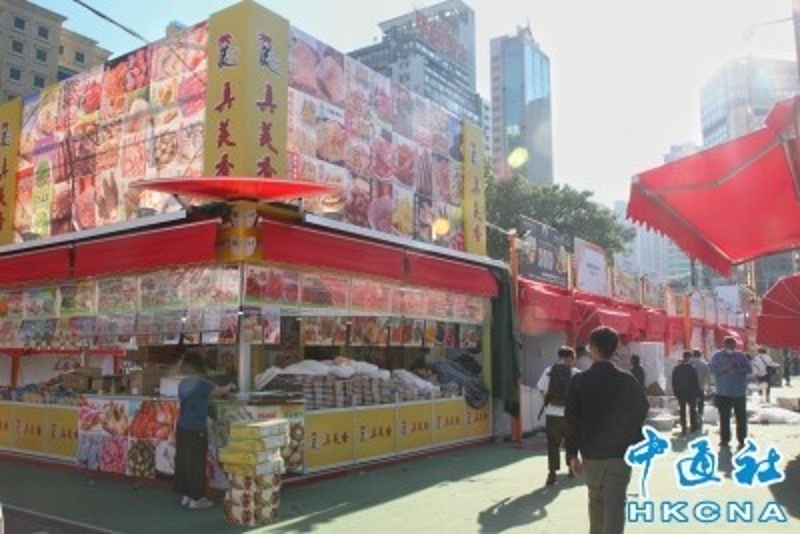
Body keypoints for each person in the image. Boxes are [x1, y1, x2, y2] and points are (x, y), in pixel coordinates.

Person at [565, 327, 649, 534]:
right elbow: (642, 409)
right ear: (614, 349)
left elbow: (572, 419)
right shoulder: (627, 380)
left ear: (593, 349)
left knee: (596, 501)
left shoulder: (579, 381)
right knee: (615, 505)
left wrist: (572, 453)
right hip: (620, 453)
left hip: (591, 453)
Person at [174, 351, 237, 509]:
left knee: (185, 462)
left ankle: (186, 495)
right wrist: (231, 386)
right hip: (196, 428)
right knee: (197, 463)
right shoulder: (201, 383)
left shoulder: (183, 383)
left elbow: (200, 397)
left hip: (182, 427)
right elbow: (219, 391)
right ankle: (197, 498)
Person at [536, 346, 579, 486]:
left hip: (552, 413)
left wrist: (548, 402)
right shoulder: (575, 373)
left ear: (559, 357)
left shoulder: (549, 371)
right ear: (571, 358)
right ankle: (571, 469)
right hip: (570, 415)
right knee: (571, 442)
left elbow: (541, 388)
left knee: (553, 444)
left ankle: (552, 474)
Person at [709, 336, 752, 450]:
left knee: (741, 417)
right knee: (724, 417)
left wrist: (738, 369)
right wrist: (725, 368)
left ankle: (742, 439)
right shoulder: (717, 356)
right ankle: (724, 439)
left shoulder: (741, 356)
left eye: (733, 345)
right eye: (729, 345)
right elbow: (712, 370)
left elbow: (749, 369)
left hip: (739, 392)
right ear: (724, 345)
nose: (732, 347)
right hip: (723, 392)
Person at [672, 351, 702, 435]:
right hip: (691, 392)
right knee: (692, 409)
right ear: (690, 358)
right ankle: (693, 426)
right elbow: (695, 382)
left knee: (682, 410)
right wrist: (697, 394)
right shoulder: (692, 368)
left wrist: (675, 391)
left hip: (680, 392)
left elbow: (674, 381)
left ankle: (684, 428)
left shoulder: (676, 368)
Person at [689, 349, 710, 430]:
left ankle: (693, 421)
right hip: (700, 388)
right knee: (700, 404)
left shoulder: (689, 363)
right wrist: (708, 388)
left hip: (690, 388)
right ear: (700, 355)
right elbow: (707, 377)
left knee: (692, 405)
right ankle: (700, 417)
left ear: (693, 355)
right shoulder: (704, 364)